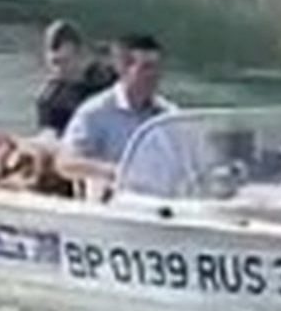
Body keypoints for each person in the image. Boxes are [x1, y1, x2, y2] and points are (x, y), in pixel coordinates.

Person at [55, 33, 177, 189]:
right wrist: (114, 171)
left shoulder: (168, 114)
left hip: (166, 196)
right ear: (123, 68)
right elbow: (65, 163)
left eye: (157, 67)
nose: (154, 75)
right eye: (146, 68)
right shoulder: (96, 112)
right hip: (118, 196)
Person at [34, 19, 115, 138]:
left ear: (80, 53)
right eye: (55, 63)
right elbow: (52, 135)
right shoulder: (49, 98)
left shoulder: (107, 78)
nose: (60, 69)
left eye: (66, 61)